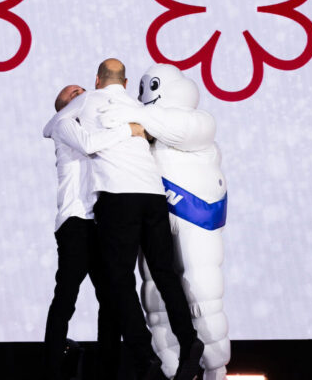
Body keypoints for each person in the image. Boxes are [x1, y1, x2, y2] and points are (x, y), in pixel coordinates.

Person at [52, 59, 204, 380]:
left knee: (118, 280)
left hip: (118, 197)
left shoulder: (87, 101)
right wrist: (134, 128)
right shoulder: (137, 106)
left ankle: (144, 355)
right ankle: (189, 342)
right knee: (165, 273)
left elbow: (52, 125)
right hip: (152, 195)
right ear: (125, 81)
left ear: (96, 80)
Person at [99, 64, 230, 380]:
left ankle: (214, 367)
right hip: (151, 212)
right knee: (157, 297)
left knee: (201, 291)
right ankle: (175, 368)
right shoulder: (144, 128)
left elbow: (178, 128)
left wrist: (128, 112)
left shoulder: (196, 121)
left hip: (195, 215)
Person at [41, 84, 146, 380]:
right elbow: (88, 144)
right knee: (66, 297)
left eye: (82, 91)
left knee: (111, 298)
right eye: (72, 93)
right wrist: (129, 129)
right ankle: (51, 369)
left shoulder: (97, 127)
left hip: (101, 222)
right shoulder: (63, 124)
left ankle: (108, 369)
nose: (81, 95)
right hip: (75, 221)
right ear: (61, 104)